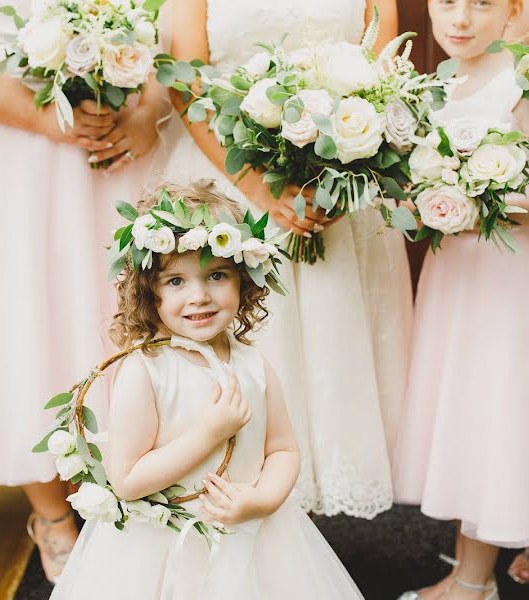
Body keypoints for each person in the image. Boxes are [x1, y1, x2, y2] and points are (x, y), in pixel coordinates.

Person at [0, 0, 163, 583]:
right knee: (24, 325)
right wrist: (43, 119)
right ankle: (51, 515)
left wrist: (148, 111)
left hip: (115, 152)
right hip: (10, 159)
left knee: (115, 319)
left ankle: (126, 488)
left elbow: (165, 36)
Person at [151, 0, 411, 521]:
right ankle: (227, 492)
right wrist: (258, 189)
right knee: (248, 344)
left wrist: (344, 183)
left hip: (341, 186)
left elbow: (390, 78)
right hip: (230, 181)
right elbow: (187, 83)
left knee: (334, 348)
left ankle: (303, 520)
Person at [51, 180, 365, 599]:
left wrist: (263, 501)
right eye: (176, 281)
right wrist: (209, 434)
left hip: (251, 536)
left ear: (244, 281)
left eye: (217, 275)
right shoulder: (147, 370)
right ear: (150, 291)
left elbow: (283, 450)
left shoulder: (254, 366)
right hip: (161, 549)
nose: (199, 296)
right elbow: (127, 479)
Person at [392, 0, 529, 598]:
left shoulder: (521, 86)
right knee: (463, 418)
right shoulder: (431, 87)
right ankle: (466, 575)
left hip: (506, 280)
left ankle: (471, 583)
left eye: (481, 4)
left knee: (490, 417)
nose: (459, 19)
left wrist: (495, 209)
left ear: (512, 10)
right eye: (447, 2)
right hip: (452, 279)